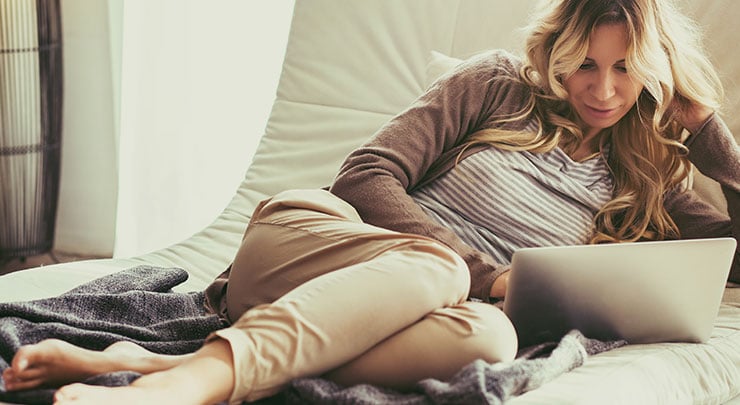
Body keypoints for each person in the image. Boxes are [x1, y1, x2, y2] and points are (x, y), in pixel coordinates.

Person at [3, 0, 739, 403]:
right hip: (308, 242)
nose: (602, 89)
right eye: (586, 62)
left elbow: (729, 260)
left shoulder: (649, 179)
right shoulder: (496, 84)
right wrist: (482, 270)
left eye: (622, 69)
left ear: (652, 73)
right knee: (444, 272)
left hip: (416, 313)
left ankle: (157, 369)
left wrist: (710, 138)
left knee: (490, 341)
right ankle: (191, 386)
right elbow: (365, 175)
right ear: (559, 51)